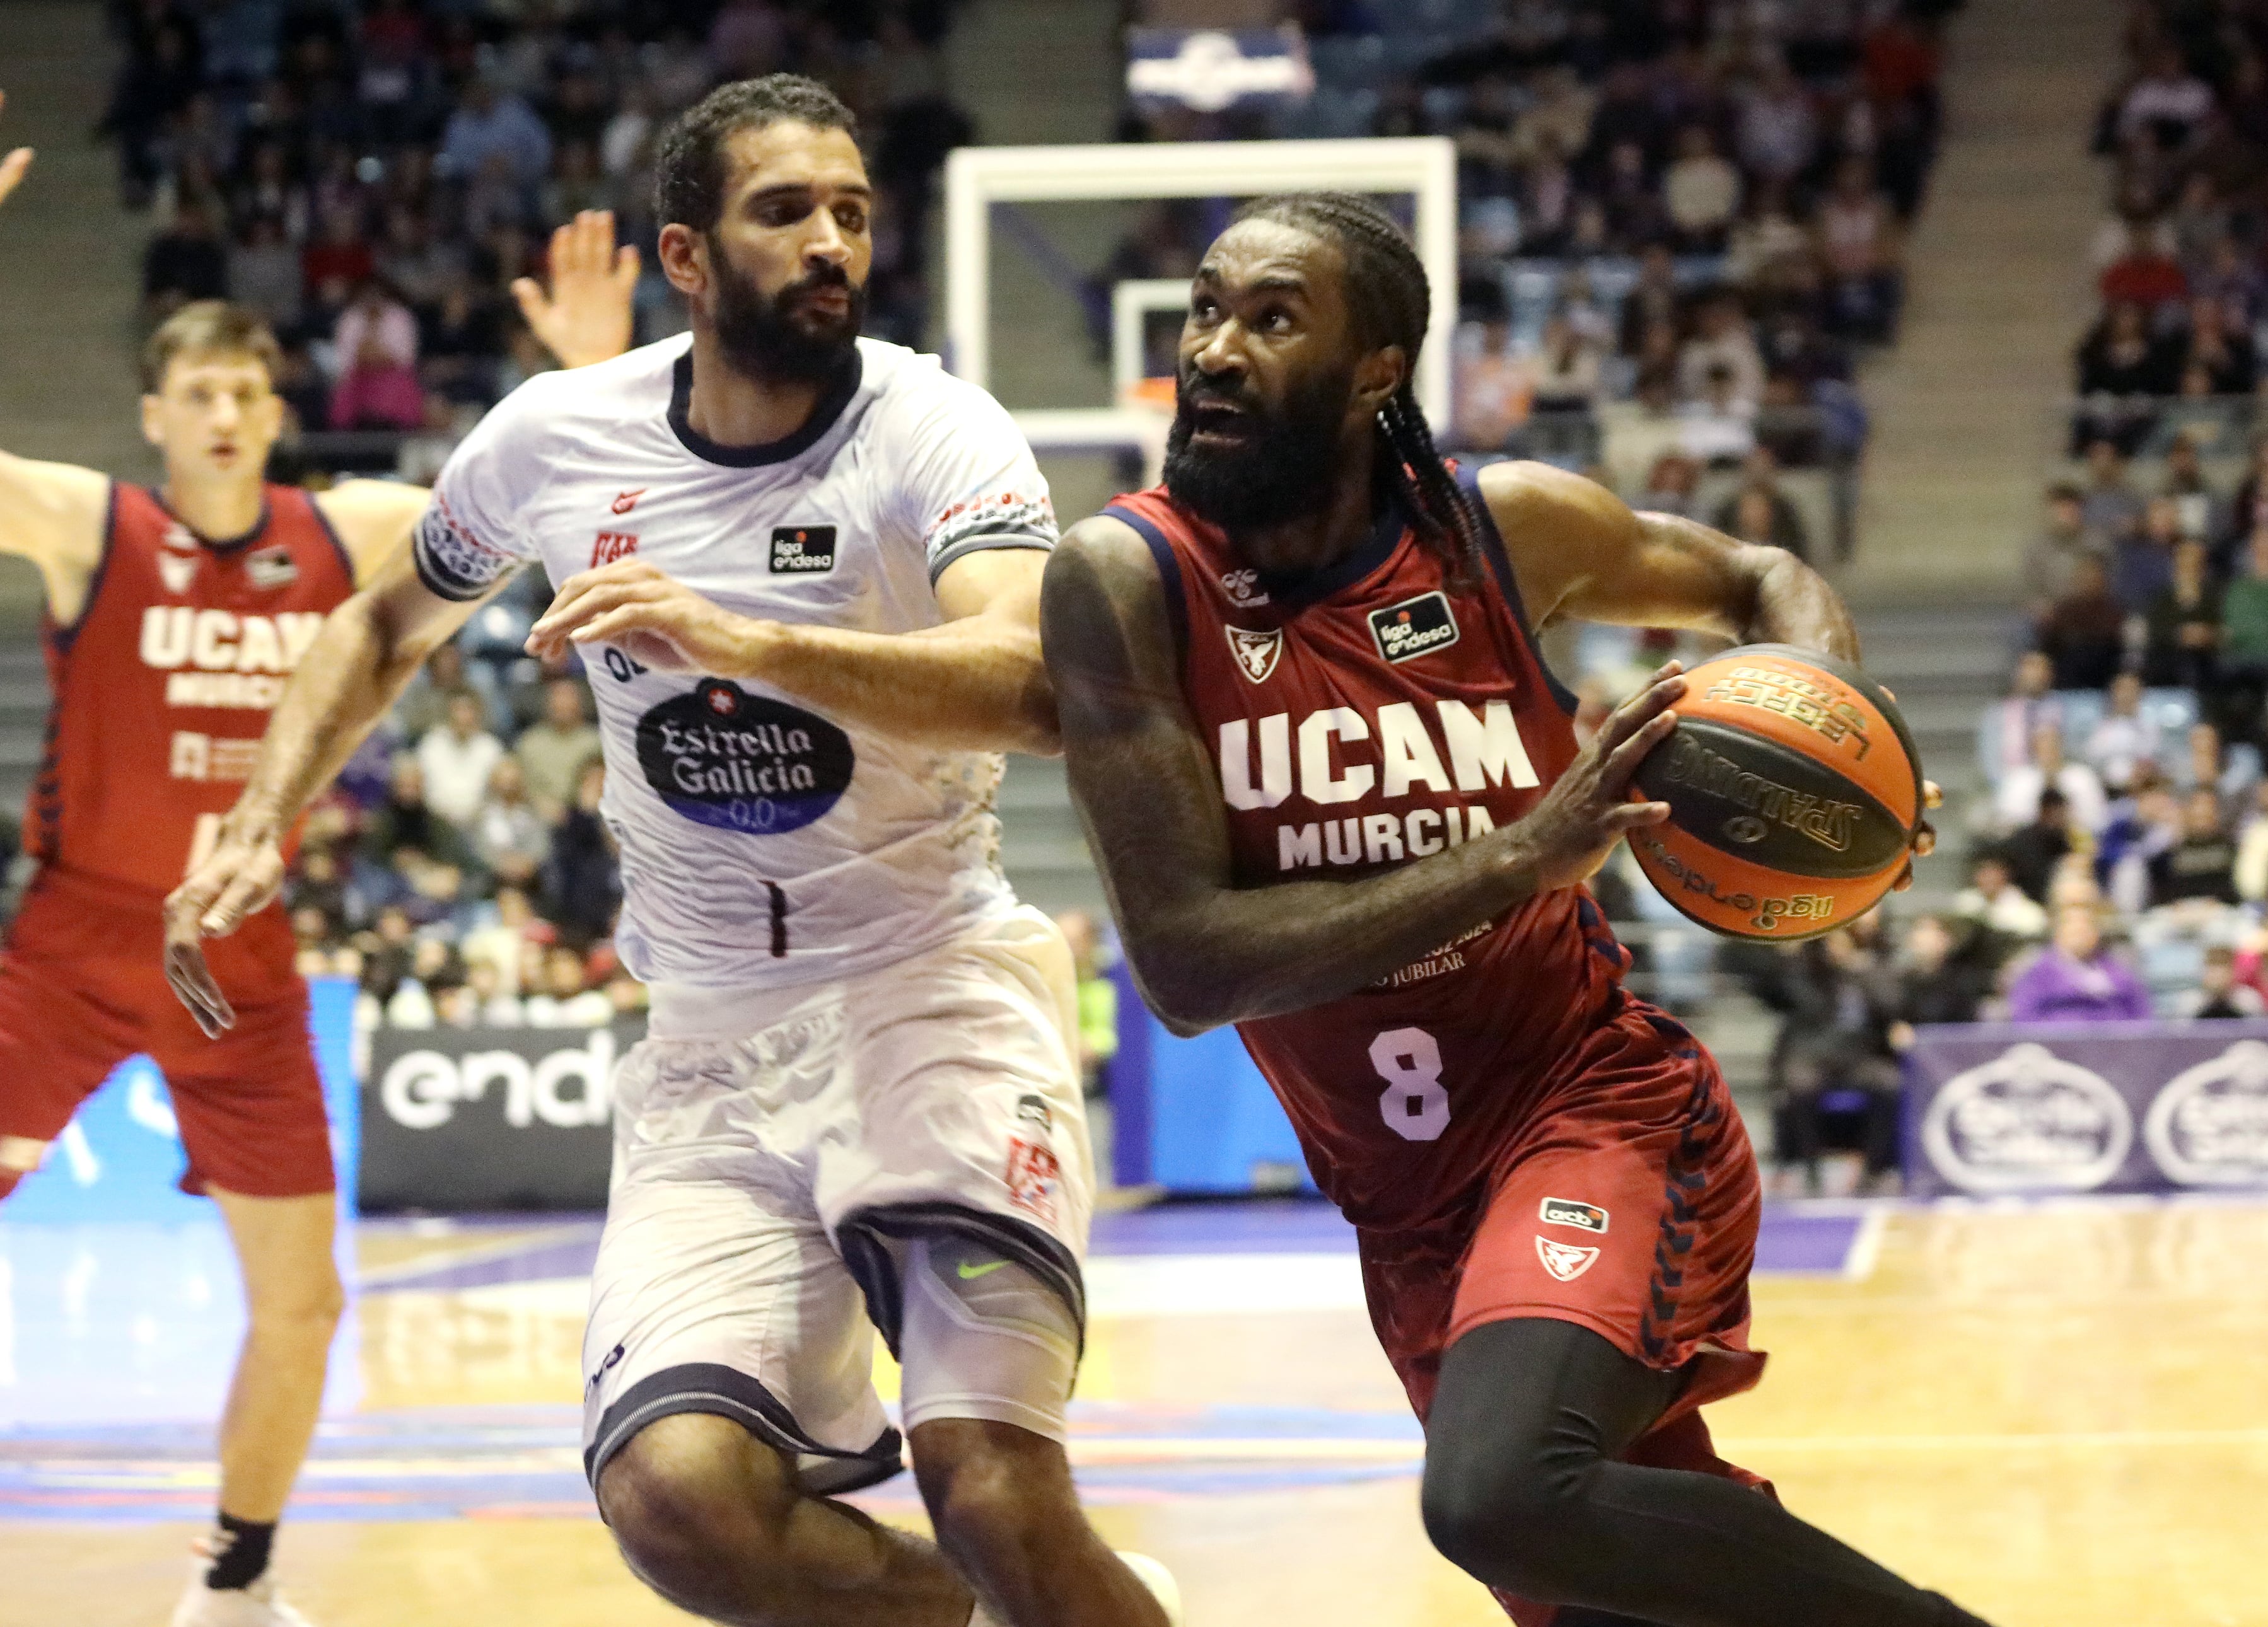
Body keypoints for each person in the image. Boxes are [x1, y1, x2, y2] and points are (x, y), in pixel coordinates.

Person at [164, 76, 1180, 1627]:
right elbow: (383, 616)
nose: (830, 240)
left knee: (986, 1479)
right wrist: (259, 810)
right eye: (785, 212)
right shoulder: (557, 439)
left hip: (930, 1002)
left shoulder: (932, 426)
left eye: (848, 209)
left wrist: (742, 637)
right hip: (710, 1042)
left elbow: (1037, 687)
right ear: (687, 257)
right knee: (677, 1504)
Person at [1039, 190, 1982, 1626]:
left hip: (1588, 1104)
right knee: (1601, 1572)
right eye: (1204, 311)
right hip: (1406, 1208)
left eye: (1270, 317)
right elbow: (1180, 964)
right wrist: (1510, 855)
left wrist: (1832, 726)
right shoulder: (1126, 578)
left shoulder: (1497, 532)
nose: (1215, 350)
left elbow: (1753, 572)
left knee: (1497, 1494)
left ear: (1375, 369)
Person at [0, 102, 633, 1624]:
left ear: (277, 405)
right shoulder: (98, 524)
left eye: (244, 386)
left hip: (248, 962)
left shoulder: (350, 534)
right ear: (153, 412)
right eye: (196, 390)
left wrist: (590, 379)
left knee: (305, 1300)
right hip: (75, 945)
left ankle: (234, 1581)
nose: (223, 411)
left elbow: (548, 507)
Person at [2006, 905, 2153, 1021]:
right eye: (2074, 929)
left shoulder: (2119, 970)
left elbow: (2142, 1015)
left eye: (2087, 929)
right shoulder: (2036, 973)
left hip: (2117, 1049)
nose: (2081, 935)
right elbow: (2025, 1019)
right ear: (2058, 934)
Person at [2173, 944, 2266, 1019]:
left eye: (2223, 971)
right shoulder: (2189, 1002)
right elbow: (2179, 1036)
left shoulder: (2249, 1000)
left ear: (2233, 972)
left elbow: (2258, 1033)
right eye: (2212, 971)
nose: (2217, 977)